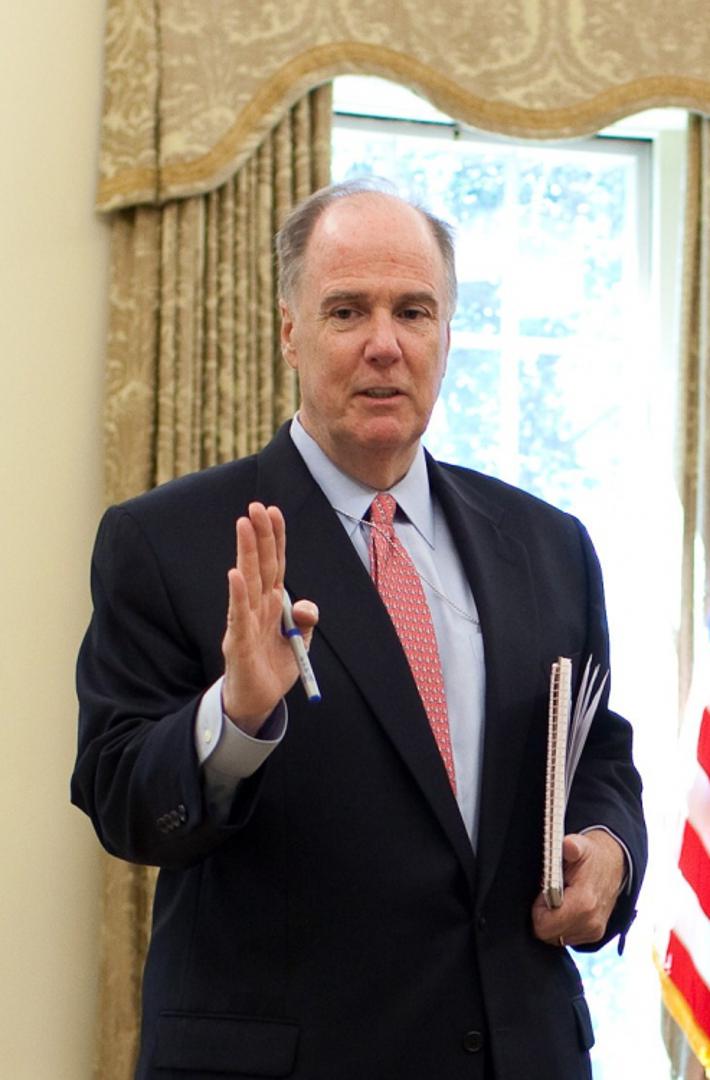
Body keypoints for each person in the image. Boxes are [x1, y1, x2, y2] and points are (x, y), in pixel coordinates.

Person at [72, 179, 647, 1080]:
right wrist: (235, 718)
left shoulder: (548, 543)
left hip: (520, 1051)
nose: (386, 344)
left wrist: (610, 849)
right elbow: (120, 800)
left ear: (446, 334)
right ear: (290, 333)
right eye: (347, 311)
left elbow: (596, 750)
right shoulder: (166, 540)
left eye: (413, 311)